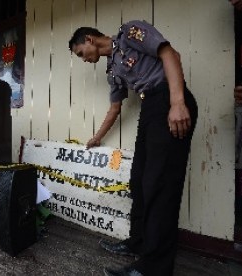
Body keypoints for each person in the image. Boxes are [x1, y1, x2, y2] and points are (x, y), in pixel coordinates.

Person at [68, 20, 198, 276]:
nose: (83, 59)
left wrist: (178, 102)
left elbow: (169, 53)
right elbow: (115, 108)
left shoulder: (129, 33)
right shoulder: (113, 71)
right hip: (150, 109)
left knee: (160, 186)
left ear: (90, 40)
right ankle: (138, 242)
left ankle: (153, 269)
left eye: (81, 53)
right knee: (139, 181)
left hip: (168, 99)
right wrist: (96, 137)